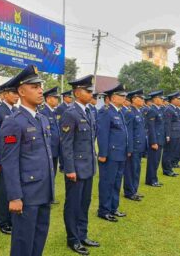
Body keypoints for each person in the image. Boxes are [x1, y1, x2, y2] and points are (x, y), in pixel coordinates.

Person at [0, 65, 55, 256]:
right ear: (21, 91)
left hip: (44, 190)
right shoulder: (14, 121)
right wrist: (15, 196)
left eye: (40, 86)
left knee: (39, 237)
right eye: (34, 87)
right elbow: (9, 161)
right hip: (27, 193)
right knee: (23, 242)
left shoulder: (42, 119)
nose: (40, 90)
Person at [60, 75, 99, 255]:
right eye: (87, 90)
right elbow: (66, 144)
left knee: (85, 203)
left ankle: (83, 234)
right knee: (73, 205)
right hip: (76, 169)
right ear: (77, 93)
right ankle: (73, 239)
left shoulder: (89, 111)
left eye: (91, 91)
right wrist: (69, 169)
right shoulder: (70, 113)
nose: (91, 93)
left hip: (88, 167)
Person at [0, 81, 19, 234]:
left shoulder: (17, 111)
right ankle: (3, 222)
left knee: (13, 188)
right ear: (5, 94)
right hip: (1, 159)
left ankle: (13, 219)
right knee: (2, 191)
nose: (16, 96)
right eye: (13, 93)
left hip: (14, 159)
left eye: (17, 93)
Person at [96, 84, 128, 222]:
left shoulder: (119, 111)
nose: (124, 98)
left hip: (120, 153)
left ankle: (113, 208)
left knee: (116, 182)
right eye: (121, 96)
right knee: (107, 182)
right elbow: (102, 134)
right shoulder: (106, 111)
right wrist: (102, 154)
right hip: (110, 154)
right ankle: (104, 210)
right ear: (113, 98)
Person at [123, 89, 147, 201]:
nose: (142, 100)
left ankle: (134, 190)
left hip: (139, 146)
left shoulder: (139, 111)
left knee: (136, 169)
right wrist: (129, 148)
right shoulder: (129, 112)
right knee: (131, 170)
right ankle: (129, 192)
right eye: (140, 98)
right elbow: (129, 132)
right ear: (133, 99)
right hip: (133, 147)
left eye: (142, 98)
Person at [39, 86, 61, 204]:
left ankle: (50, 196)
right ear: (48, 99)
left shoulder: (53, 111)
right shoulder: (43, 112)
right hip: (47, 150)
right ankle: (45, 198)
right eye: (55, 98)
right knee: (46, 175)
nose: (57, 100)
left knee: (53, 174)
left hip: (55, 149)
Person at [145, 90, 165, 187]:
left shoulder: (159, 109)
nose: (162, 100)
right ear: (155, 99)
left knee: (156, 161)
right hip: (155, 140)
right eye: (160, 98)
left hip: (159, 139)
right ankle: (151, 180)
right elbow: (151, 127)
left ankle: (154, 178)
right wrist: (153, 142)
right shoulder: (152, 110)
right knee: (153, 161)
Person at [162, 92, 180, 177]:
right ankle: (167, 170)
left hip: (176, 134)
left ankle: (170, 168)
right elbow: (167, 123)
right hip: (171, 135)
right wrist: (167, 135)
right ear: (173, 100)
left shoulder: (174, 109)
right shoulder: (169, 109)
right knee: (168, 153)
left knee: (172, 152)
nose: (179, 101)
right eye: (178, 99)